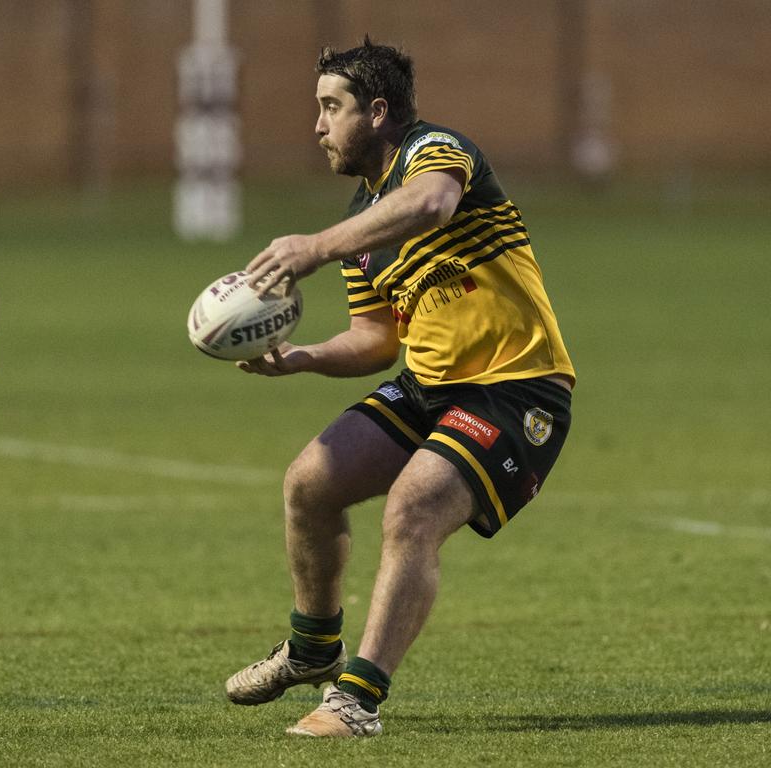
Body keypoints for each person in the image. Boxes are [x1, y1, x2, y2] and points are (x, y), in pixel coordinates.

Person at [224, 38, 575, 737]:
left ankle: (355, 703)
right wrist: (304, 357)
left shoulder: (436, 151)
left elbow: (434, 205)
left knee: (414, 507)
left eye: (331, 108)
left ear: (378, 111)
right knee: (309, 483)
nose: (318, 127)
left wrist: (315, 246)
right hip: (428, 386)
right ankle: (313, 649)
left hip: (517, 388)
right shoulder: (364, 219)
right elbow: (376, 338)